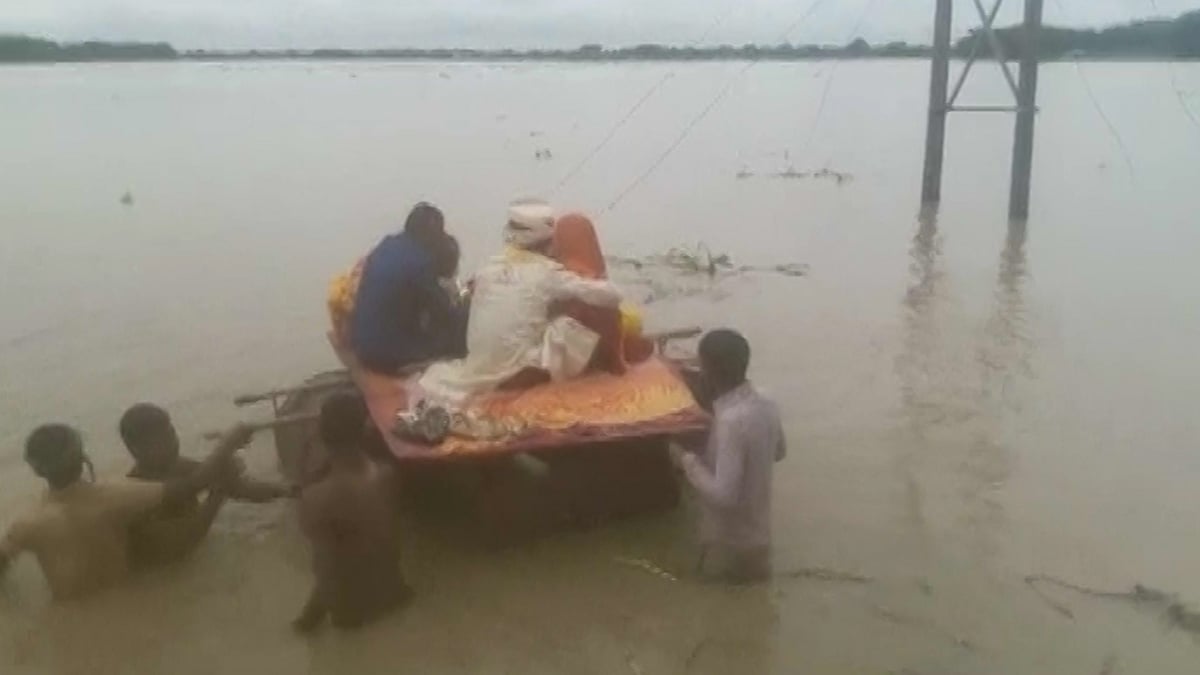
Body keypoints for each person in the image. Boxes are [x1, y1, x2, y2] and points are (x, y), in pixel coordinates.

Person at [0, 422, 253, 601]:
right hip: (125, 601)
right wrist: (227, 443)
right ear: (82, 457)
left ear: (36, 470)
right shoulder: (118, 496)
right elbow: (193, 485)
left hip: (67, 620)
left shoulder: (26, 524)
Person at [418, 199, 623, 405]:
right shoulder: (548, 273)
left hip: (477, 366)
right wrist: (592, 276)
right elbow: (612, 296)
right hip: (516, 371)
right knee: (578, 318)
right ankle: (613, 366)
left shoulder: (488, 267)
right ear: (550, 241)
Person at [670, 329, 785, 583]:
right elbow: (778, 452)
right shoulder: (767, 401)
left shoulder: (730, 422)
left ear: (709, 371)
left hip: (729, 547)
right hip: (759, 540)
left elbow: (724, 496)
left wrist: (686, 460)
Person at [118, 403, 294, 566]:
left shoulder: (178, 466)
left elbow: (240, 489)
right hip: (163, 574)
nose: (172, 443)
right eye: (161, 440)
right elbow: (179, 545)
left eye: (172, 434)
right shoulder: (135, 492)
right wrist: (218, 493)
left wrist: (286, 490)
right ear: (135, 449)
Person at [293, 393, 411, 632]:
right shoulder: (387, 475)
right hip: (398, 597)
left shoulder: (317, 499)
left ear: (320, 434)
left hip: (354, 618)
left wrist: (304, 625)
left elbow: (327, 574)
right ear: (365, 429)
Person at [349, 202, 463, 375]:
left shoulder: (387, 244)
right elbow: (443, 311)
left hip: (361, 346)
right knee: (458, 339)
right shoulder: (420, 263)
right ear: (431, 235)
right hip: (385, 356)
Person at [550, 212, 653, 375]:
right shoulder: (594, 281)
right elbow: (614, 301)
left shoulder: (548, 275)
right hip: (593, 357)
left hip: (557, 358)